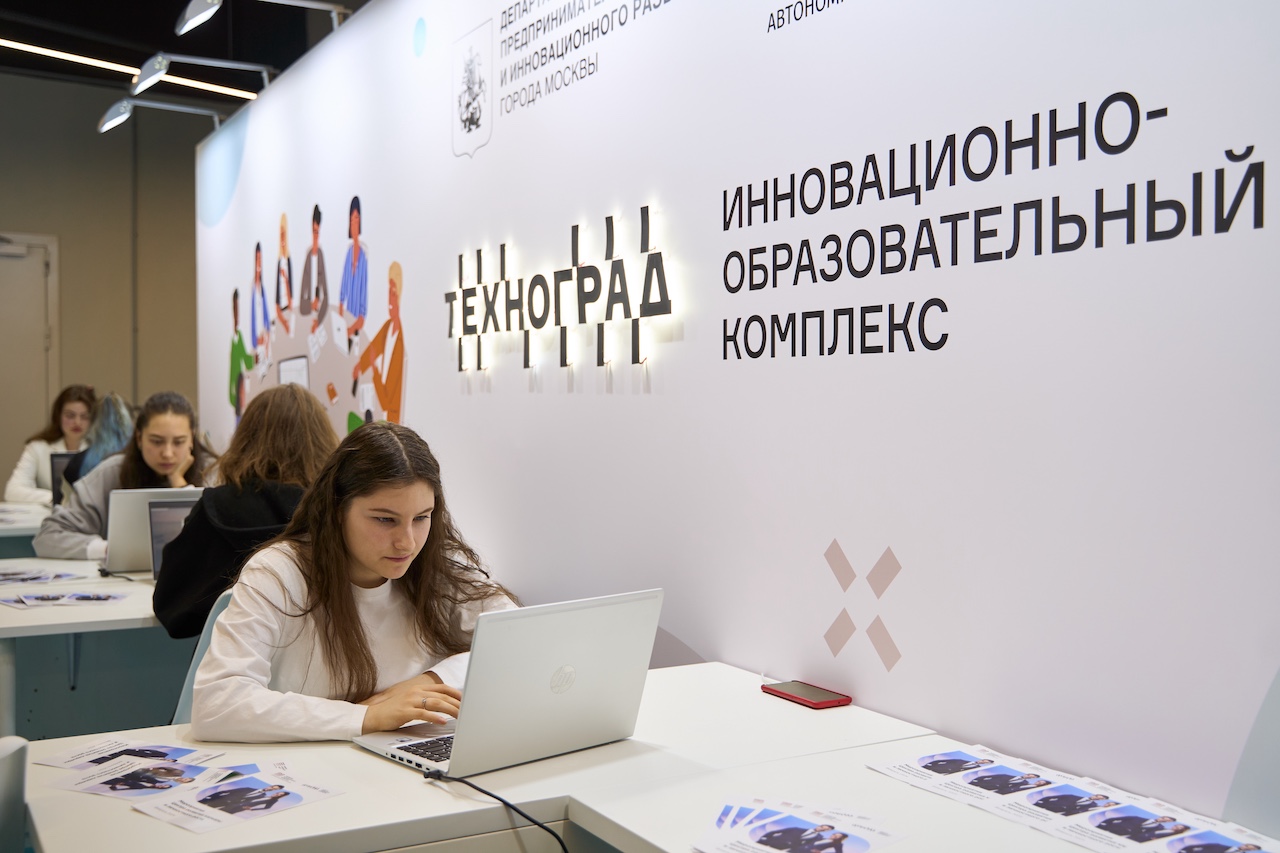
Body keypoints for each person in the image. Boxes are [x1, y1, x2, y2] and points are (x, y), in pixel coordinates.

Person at [191, 422, 517, 743]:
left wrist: (429, 681)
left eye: (421, 517)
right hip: (308, 765)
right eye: (385, 519)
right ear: (337, 509)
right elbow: (216, 703)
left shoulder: (436, 563)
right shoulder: (277, 572)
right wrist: (367, 717)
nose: (406, 542)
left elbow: (516, 638)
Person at [154, 384, 339, 639]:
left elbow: (172, 609)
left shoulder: (215, 508)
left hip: (231, 656)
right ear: (323, 442)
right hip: (323, 657)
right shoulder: (336, 512)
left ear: (245, 440)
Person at [33, 391, 212, 561]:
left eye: (179, 442)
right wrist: (110, 550)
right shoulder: (111, 472)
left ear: (192, 438)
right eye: (156, 441)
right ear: (139, 438)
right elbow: (49, 536)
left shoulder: (212, 473)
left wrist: (180, 484)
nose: (167, 453)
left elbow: (211, 543)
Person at [5, 384, 96, 505]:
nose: (77, 422)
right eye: (70, 416)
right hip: (49, 514)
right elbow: (12, 491)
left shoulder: (99, 449)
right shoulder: (37, 448)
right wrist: (56, 497)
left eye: (84, 417)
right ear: (58, 416)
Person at [352, 261, 405, 422]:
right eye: (389, 292)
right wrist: (360, 366)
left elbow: (386, 401)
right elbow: (372, 349)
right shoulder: (388, 327)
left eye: (393, 293)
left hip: (391, 420)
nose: (390, 299)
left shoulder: (399, 345)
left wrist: (374, 370)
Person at [62, 392, 134, 492]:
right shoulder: (143, 460)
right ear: (131, 421)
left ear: (92, 424)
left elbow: (68, 500)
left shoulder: (75, 465)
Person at [337, 195, 368, 352]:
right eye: (351, 220)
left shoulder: (363, 257)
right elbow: (342, 293)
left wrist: (349, 330)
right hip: (344, 324)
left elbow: (363, 312)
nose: (354, 224)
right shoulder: (349, 253)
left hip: (355, 329)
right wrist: (341, 323)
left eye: (356, 219)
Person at [229, 290, 255, 424]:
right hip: (236, 383)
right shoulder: (235, 338)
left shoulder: (239, 336)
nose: (237, 315)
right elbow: (248, 362)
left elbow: (248, 362)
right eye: (235, 308)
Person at [275, 213, 294, 336]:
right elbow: (276, 296)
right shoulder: (278, 262)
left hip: (288, 310)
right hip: (280, 313)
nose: (282, 238)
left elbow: (291, 297)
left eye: (284, 234)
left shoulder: (288, 261)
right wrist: (282, 320)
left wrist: (285, 278)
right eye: (280, 234)